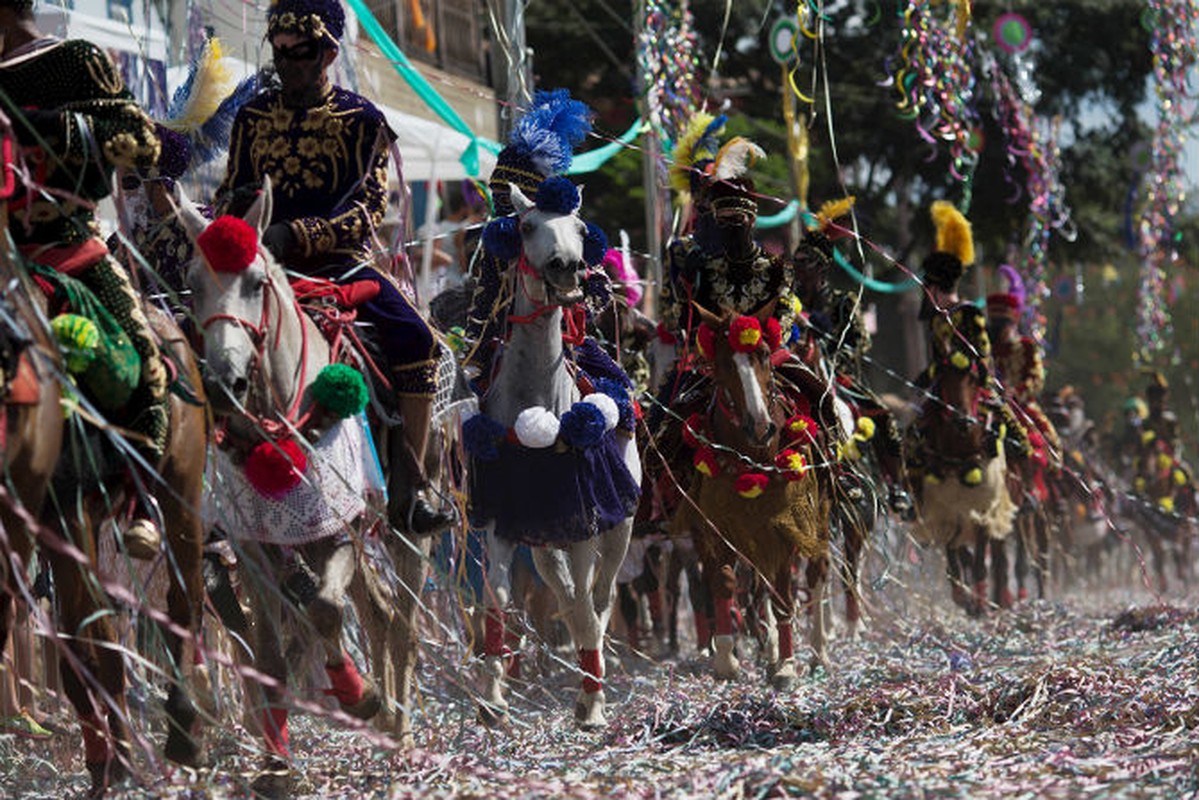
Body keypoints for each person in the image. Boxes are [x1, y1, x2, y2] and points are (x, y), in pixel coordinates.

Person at [213, 0, 450, 536]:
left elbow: (367, 210)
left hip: (338, 266)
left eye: (301, 51)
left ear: (327, 53)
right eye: (280, 51)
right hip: (261, 264)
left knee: (419, 340)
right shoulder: (250, 118)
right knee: (195, 330)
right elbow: (230, 189)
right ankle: (198, 483)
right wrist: (231, 221)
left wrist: (296, 233)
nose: (288, 62)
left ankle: (411, 488)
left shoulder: (363, 120)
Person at [0, 0, 169, 557]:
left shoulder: (75, 59)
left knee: (145, 361)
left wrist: (42, 125)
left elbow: (141, 138)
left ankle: (143, 498)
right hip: (4, 259)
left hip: (67, 245)